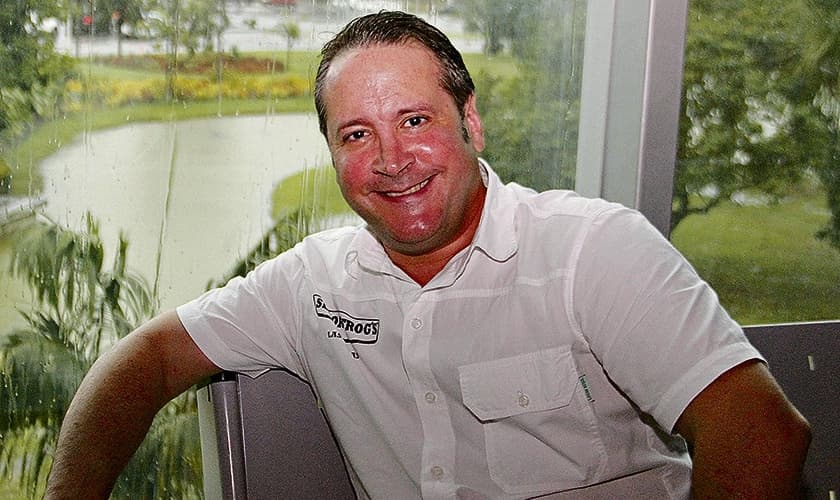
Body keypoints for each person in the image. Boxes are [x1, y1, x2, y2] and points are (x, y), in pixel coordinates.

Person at [45, 11, 810, 499]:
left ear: (471, 122)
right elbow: (150, 357)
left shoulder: (593, 250)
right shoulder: (312, 284)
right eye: (357, 135)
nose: (391, 160)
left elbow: (761, 432)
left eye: (415, 120)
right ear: (331, 153)